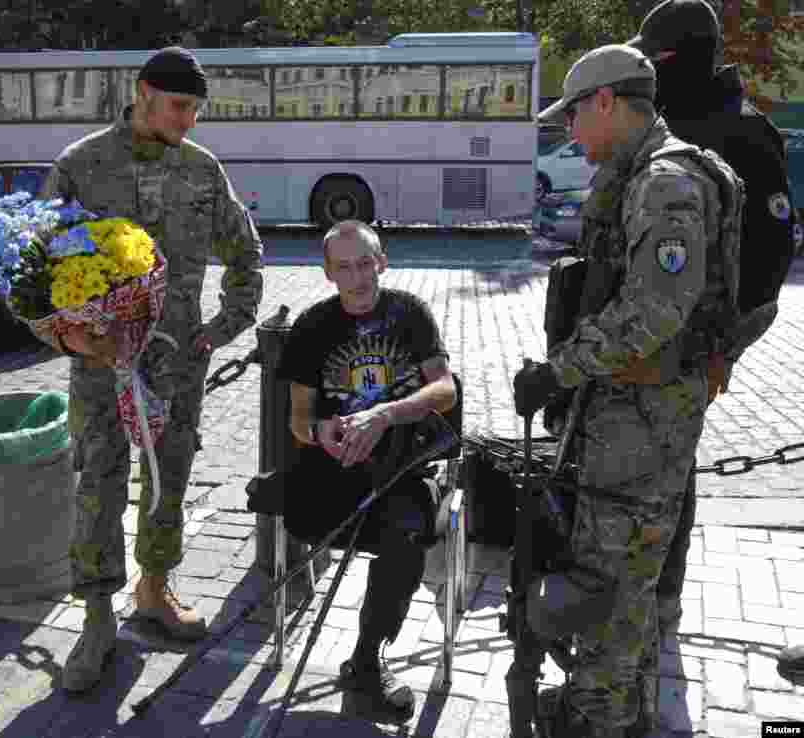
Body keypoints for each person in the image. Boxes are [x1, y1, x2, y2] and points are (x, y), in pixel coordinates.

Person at [513, 44, 742, 737]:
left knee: (610, 584)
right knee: (631, 579)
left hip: (642, 426)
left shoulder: (665, 182)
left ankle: (594, 720)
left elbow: (654, 311)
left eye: (574, 116)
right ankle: (626, 712)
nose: (571, 134)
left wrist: (560, 370)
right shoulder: (650, 171)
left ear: (606, 102)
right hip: (640, 418)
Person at [37, 47, 264, 693]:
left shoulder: (202, 169)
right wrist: (71, 335)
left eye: (196, 108)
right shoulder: (81, 167)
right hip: (101, 366)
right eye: (180, 106)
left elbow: (246, 255)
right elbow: (34, 270)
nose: (190, 120)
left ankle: (155, 589)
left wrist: (215, 332)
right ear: (142, 94)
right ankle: (96, 617)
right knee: (99, 485)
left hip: (177, 368)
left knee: (169, 481)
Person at [626, 0, 799, 652]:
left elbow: (773, 250)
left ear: (678, 57)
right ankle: (644, 595)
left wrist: (717, 342)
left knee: (670, 460)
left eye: (655, 59)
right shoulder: (680, 118)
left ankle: (659, 603)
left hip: (702, 332)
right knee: (658, 456)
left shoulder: (741, 129)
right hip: (662, 323)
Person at [276, 220, 456, 720]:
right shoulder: (312, 326)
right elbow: (298, 419)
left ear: (382, 261)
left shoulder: (410, 313)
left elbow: (445, 391)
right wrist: (321, 434)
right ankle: (364, 660)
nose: (358, 277)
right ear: (328, 272)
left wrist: (385, 414)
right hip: (333, 470)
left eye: (365, 263)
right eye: (344, 267)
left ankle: (366, 658)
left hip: (400, 467)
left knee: (407, 534)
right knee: (321, 512)